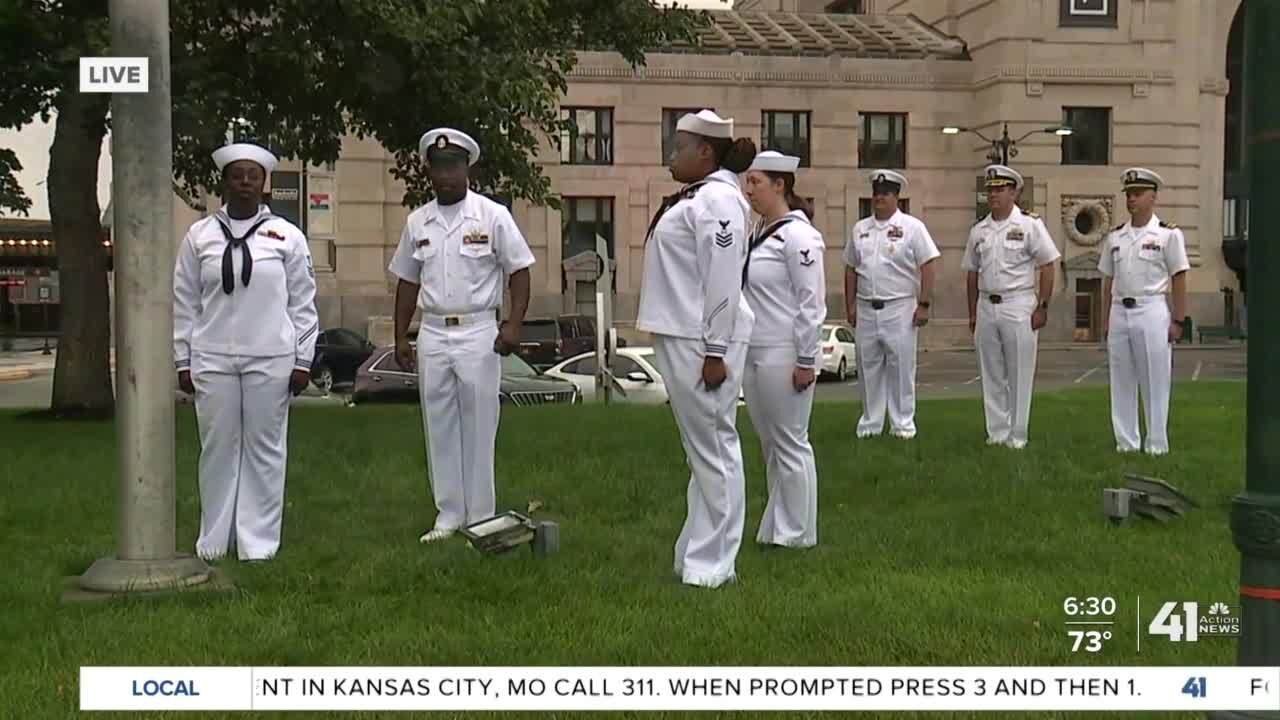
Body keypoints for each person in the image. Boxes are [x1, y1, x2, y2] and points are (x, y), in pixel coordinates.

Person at [387, 128, 535, 544]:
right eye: (439, 167)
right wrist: (401, 336)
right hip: (433, 331)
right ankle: (448, 514)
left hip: (478, 331)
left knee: (479, 423)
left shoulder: (492, 216)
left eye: (454, 166)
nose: (447, 175)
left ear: (467, 167)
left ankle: (481, 514)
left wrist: (514, 323)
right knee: (439, 424)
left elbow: (519, 271)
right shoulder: (418, 222)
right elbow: (407, 282)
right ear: (429, 171)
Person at [173, 142, 319, 562]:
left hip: (270, 357)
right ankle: (214, 542)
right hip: (212, 357)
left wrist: (302, 359)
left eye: (253, 176)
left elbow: (303, 302)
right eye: (236, 175)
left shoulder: (287, 237)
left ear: (264, 184)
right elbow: (185, 302)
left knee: (265, 449)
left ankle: (258, 544)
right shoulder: (199, 236)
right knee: (217, 447)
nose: (244, 183)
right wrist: (183, 359)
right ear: (223, 182)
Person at [636, 109, 757, 587]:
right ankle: (696, 550)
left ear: (705, 151)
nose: (672, 153)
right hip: (683, 333)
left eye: (679, 145)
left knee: (715, 450)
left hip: (702, 339)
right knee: (700, 451)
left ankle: (715, 564)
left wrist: (715, 350)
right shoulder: (701, 197)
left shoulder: (719, 202)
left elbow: (723, 279)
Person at [740, 151, 825, 549]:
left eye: (756, 181)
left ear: (780, 185)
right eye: (748, 181)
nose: (748, 188)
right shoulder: (759, 231)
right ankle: (776, 526)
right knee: (771, 444)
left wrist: (807, 359)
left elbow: (811, 302)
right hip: (755, 348)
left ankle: (798, 533)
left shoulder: (799, 237)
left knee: (791, 442)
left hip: (784, 350)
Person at [960, 164, 1061, 449]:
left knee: (1019, 371)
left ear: (1014, 192)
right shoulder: (979, 229)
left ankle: (1017, 435)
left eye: (1000, 189)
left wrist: (1043, 306)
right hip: (986, 303)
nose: (993, 194)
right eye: (990, 189)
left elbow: (1048, 264)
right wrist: (971, 313)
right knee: (990, 371)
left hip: (1018, 303)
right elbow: (970, 272)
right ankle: (996, 432)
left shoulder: (1029, 225)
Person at [843, 170, 939, 439]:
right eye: (876, 193)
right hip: (866, 306)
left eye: (885, 194)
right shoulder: (860, 229)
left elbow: (928, 264)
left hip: (899, 307)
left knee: (900, 370)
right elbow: (851, 268)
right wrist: (850, 305)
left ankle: (902, 426)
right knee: (868, 367)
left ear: (897, 196)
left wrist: (925, 303)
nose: (879, 198)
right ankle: (871, 424)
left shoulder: (912, 227)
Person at [1099, 167, 1189, 455]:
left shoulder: (1168, 235)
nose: (1131, 200)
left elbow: (1179, 277)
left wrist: (1178, 319)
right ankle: (1126, 442)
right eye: (1128, 194)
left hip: (1151, 309)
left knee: (1154, 379)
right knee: (1121, 379)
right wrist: (1105, 319)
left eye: (1138, 194)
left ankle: (1156, 444)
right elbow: (1108, 279)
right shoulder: (1116, 237)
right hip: (1119, 309)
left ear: (1153, 197)